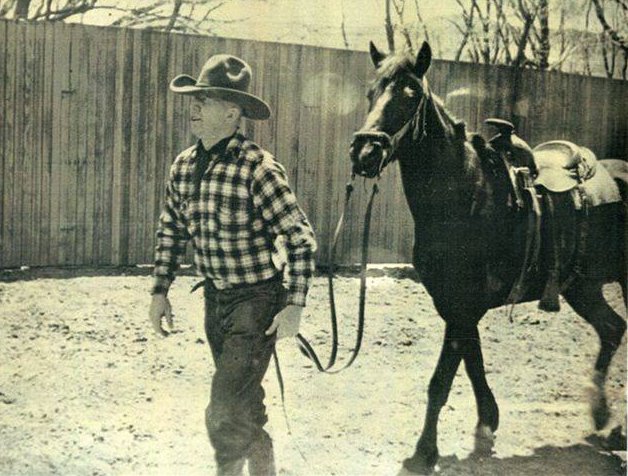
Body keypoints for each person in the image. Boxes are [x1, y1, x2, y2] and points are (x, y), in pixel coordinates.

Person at [148, 54, 317, 476]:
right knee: (243, 403)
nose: (195, 107)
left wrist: (293, 304)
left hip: (256, 303)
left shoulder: (259, 169)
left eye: (205, 100)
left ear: (231, 112)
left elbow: (300, 237)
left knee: (223, 407)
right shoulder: (184, 166)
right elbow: (171, 230)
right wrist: (159, 291)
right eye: (195, 99)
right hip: (215, 302)